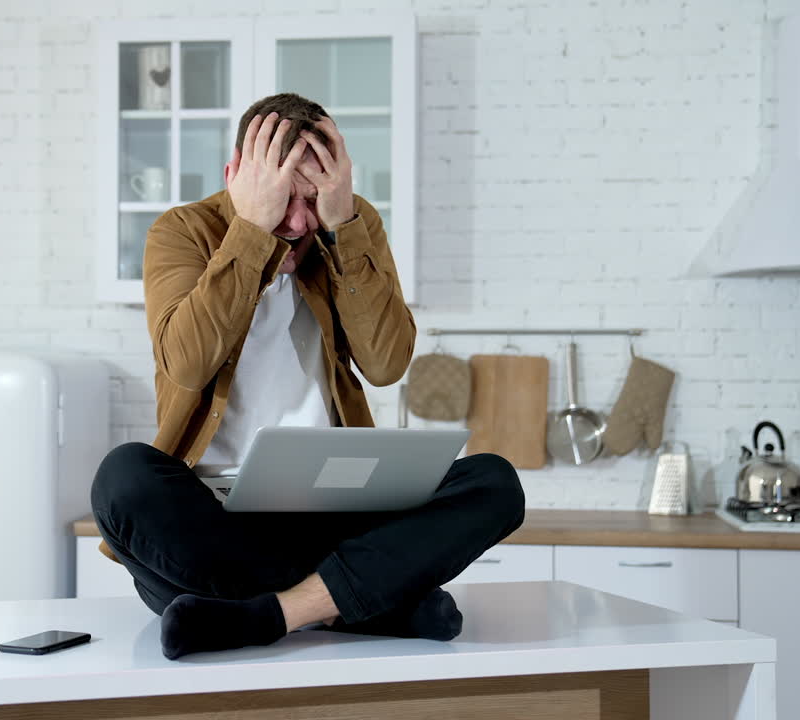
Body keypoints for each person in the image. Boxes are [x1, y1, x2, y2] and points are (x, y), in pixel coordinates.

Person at [90, 93, 525, 660]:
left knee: (494, 483)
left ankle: (274, 614)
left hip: (333, 514)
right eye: (284, 197)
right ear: (237, 178)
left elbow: (387, 362)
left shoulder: (348, 225)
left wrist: (343, 226)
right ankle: (369, 603)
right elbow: (187, 362)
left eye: (314, 197)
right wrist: (252, 230)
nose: (298, 221)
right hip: (213, 524)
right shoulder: (183, 230)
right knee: (123, 478)